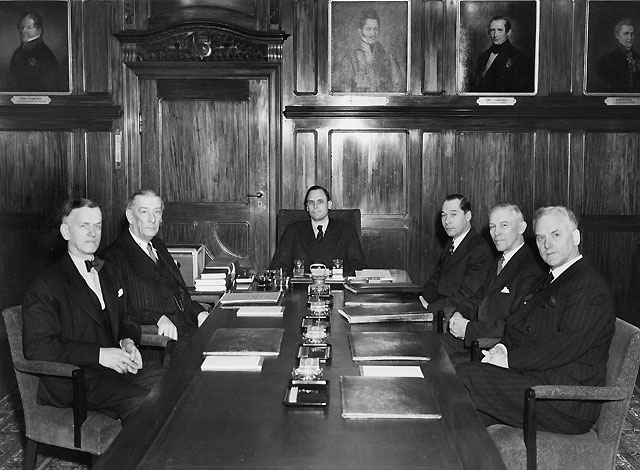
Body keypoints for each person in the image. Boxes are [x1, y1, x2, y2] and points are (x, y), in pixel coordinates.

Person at [456, 206, 616, 434]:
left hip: (564, 400)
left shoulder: (588, 285)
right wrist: (501, 348)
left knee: (466, 377)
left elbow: (565, 346)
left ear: (576, 237)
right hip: (535, 380)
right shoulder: (550, 278)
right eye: (541, 238)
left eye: (555, 235)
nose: (547, 244)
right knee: (464, 417)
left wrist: (508, 360)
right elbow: (517, 323)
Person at [22, 198, 164, 423]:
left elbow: (128, 316)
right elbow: (38, 347)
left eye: (97, 226)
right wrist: (99, 355)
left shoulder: (109, 270)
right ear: (66, 231)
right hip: (77, 380)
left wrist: (128, 342)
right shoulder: (46, 284)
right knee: (145, 404)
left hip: (116, 371)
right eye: (84, 226)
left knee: (175, 382)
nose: (93, 233)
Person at [101, 189, 209, 357]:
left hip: (186, 331)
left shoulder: (158, 245)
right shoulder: (114, 256)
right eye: (144, 212)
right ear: (130, 216)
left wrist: (199, 313)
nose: (152, 219)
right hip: (158, 347)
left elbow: (179, 294)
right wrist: (157, 318)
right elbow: (121, 312)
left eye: (157, 212)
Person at [445, 203, 544, 359]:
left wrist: (469, 329)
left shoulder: (532, 269)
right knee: (427, 344)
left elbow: (516, 325)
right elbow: (478, 298)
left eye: (504, 225)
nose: (496, 232)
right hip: (475, 339)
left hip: (494, 348)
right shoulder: (499, 261)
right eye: (492, 227)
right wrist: (459, 314)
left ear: (521, 228)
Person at [269, 185, 367, 276]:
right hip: (302, 286)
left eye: (320, 202)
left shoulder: (347, 230)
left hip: (336, 286)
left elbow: (358, 267)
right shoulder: (292, 231)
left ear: (329, 205)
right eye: (311, 203)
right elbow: (278, 266)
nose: (315, 206)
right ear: (307, 207)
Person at [422, 194, 493, 316]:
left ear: (468, 216)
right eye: (444, 215)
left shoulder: (479, 249)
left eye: (453, 214)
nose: (447, 221)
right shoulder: (452, 242)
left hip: (457, 314)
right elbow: (437, 279)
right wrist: (420, 299)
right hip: (442, 308)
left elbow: (467, 294)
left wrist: (429, 308)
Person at [333, 8, 404, 93]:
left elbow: (398, 87)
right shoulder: (350, 60)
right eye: (368, 29)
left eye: (376, 29)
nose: (373, 33)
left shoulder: (389, 58)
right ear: (360, 32)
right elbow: (345, 91)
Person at [470, 16, 534, 93]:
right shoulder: (483, 56)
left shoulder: (520, 58)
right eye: (492, 30)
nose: (495, 35)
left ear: (508, 32)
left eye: (500, 30)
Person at [7, 10, 62, 92]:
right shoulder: (17, 53)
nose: (23, 31)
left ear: (39, 30)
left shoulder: (45, 55)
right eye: (21, 27)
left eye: (29, 27)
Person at [597, 19, 640, 93]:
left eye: (632, 34)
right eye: (626, 34)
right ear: (617, 36)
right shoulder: (607, 59)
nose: (630, 38)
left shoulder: (638, 57)